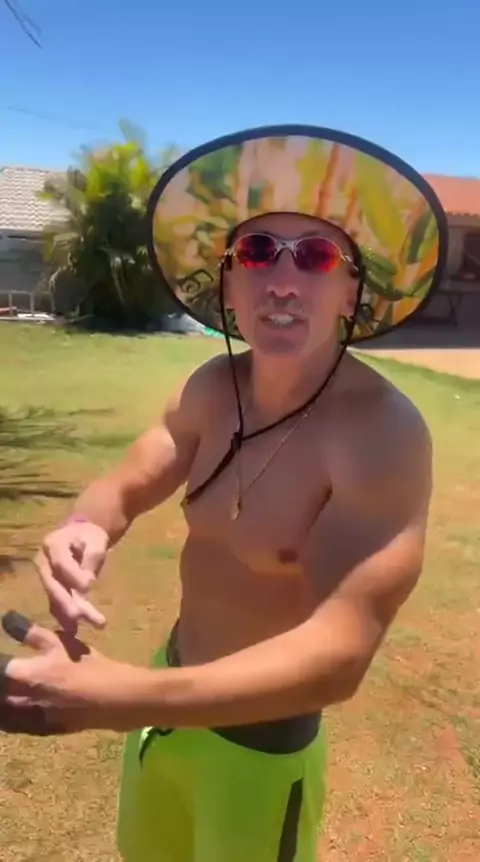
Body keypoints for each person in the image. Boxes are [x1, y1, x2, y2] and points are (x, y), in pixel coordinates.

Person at [0, 125, 448, 862]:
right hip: (166, 703)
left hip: (258, 750)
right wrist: (88, 522)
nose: (282, 280)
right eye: (258, 253)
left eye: (316, 256)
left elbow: (342, 652)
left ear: (352, 292)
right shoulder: (212, 388)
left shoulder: (380, 434)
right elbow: (131, 479)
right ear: (229, 285)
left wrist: (121, 697)